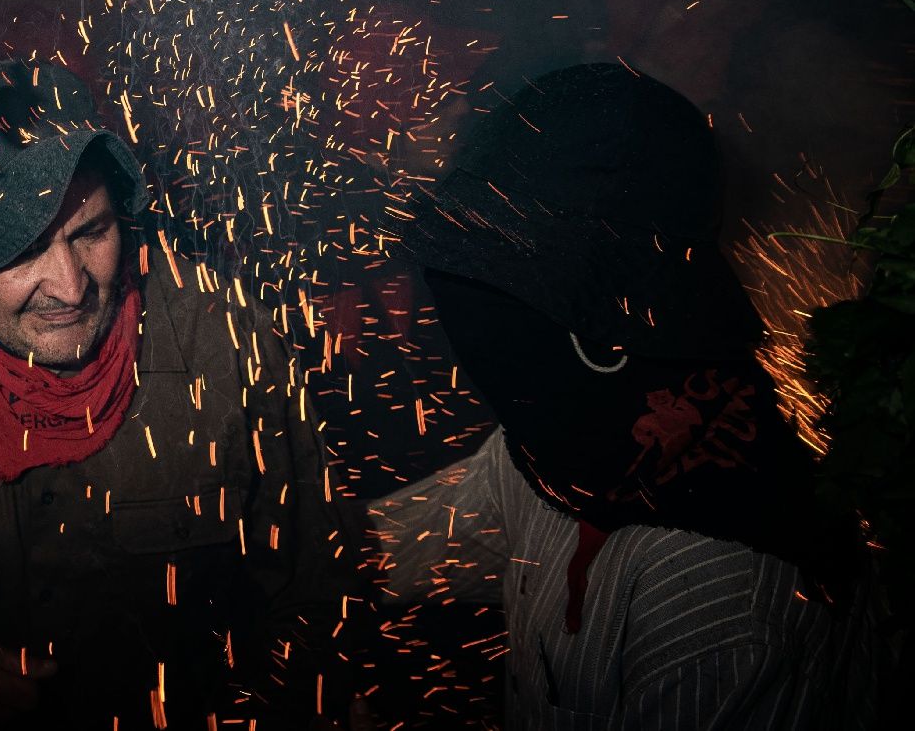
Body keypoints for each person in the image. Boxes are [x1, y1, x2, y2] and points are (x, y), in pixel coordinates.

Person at [0, 58, 363, 730]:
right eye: (21, 250)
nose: (69, 286)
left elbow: (316, 600)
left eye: (90, 231)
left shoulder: (227, 341)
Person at [368, 62, 878, 729]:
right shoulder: (567, 449)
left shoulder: (716, 600)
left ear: (605, 322)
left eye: (500, 270)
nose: (466, 305)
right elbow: (391, 550)